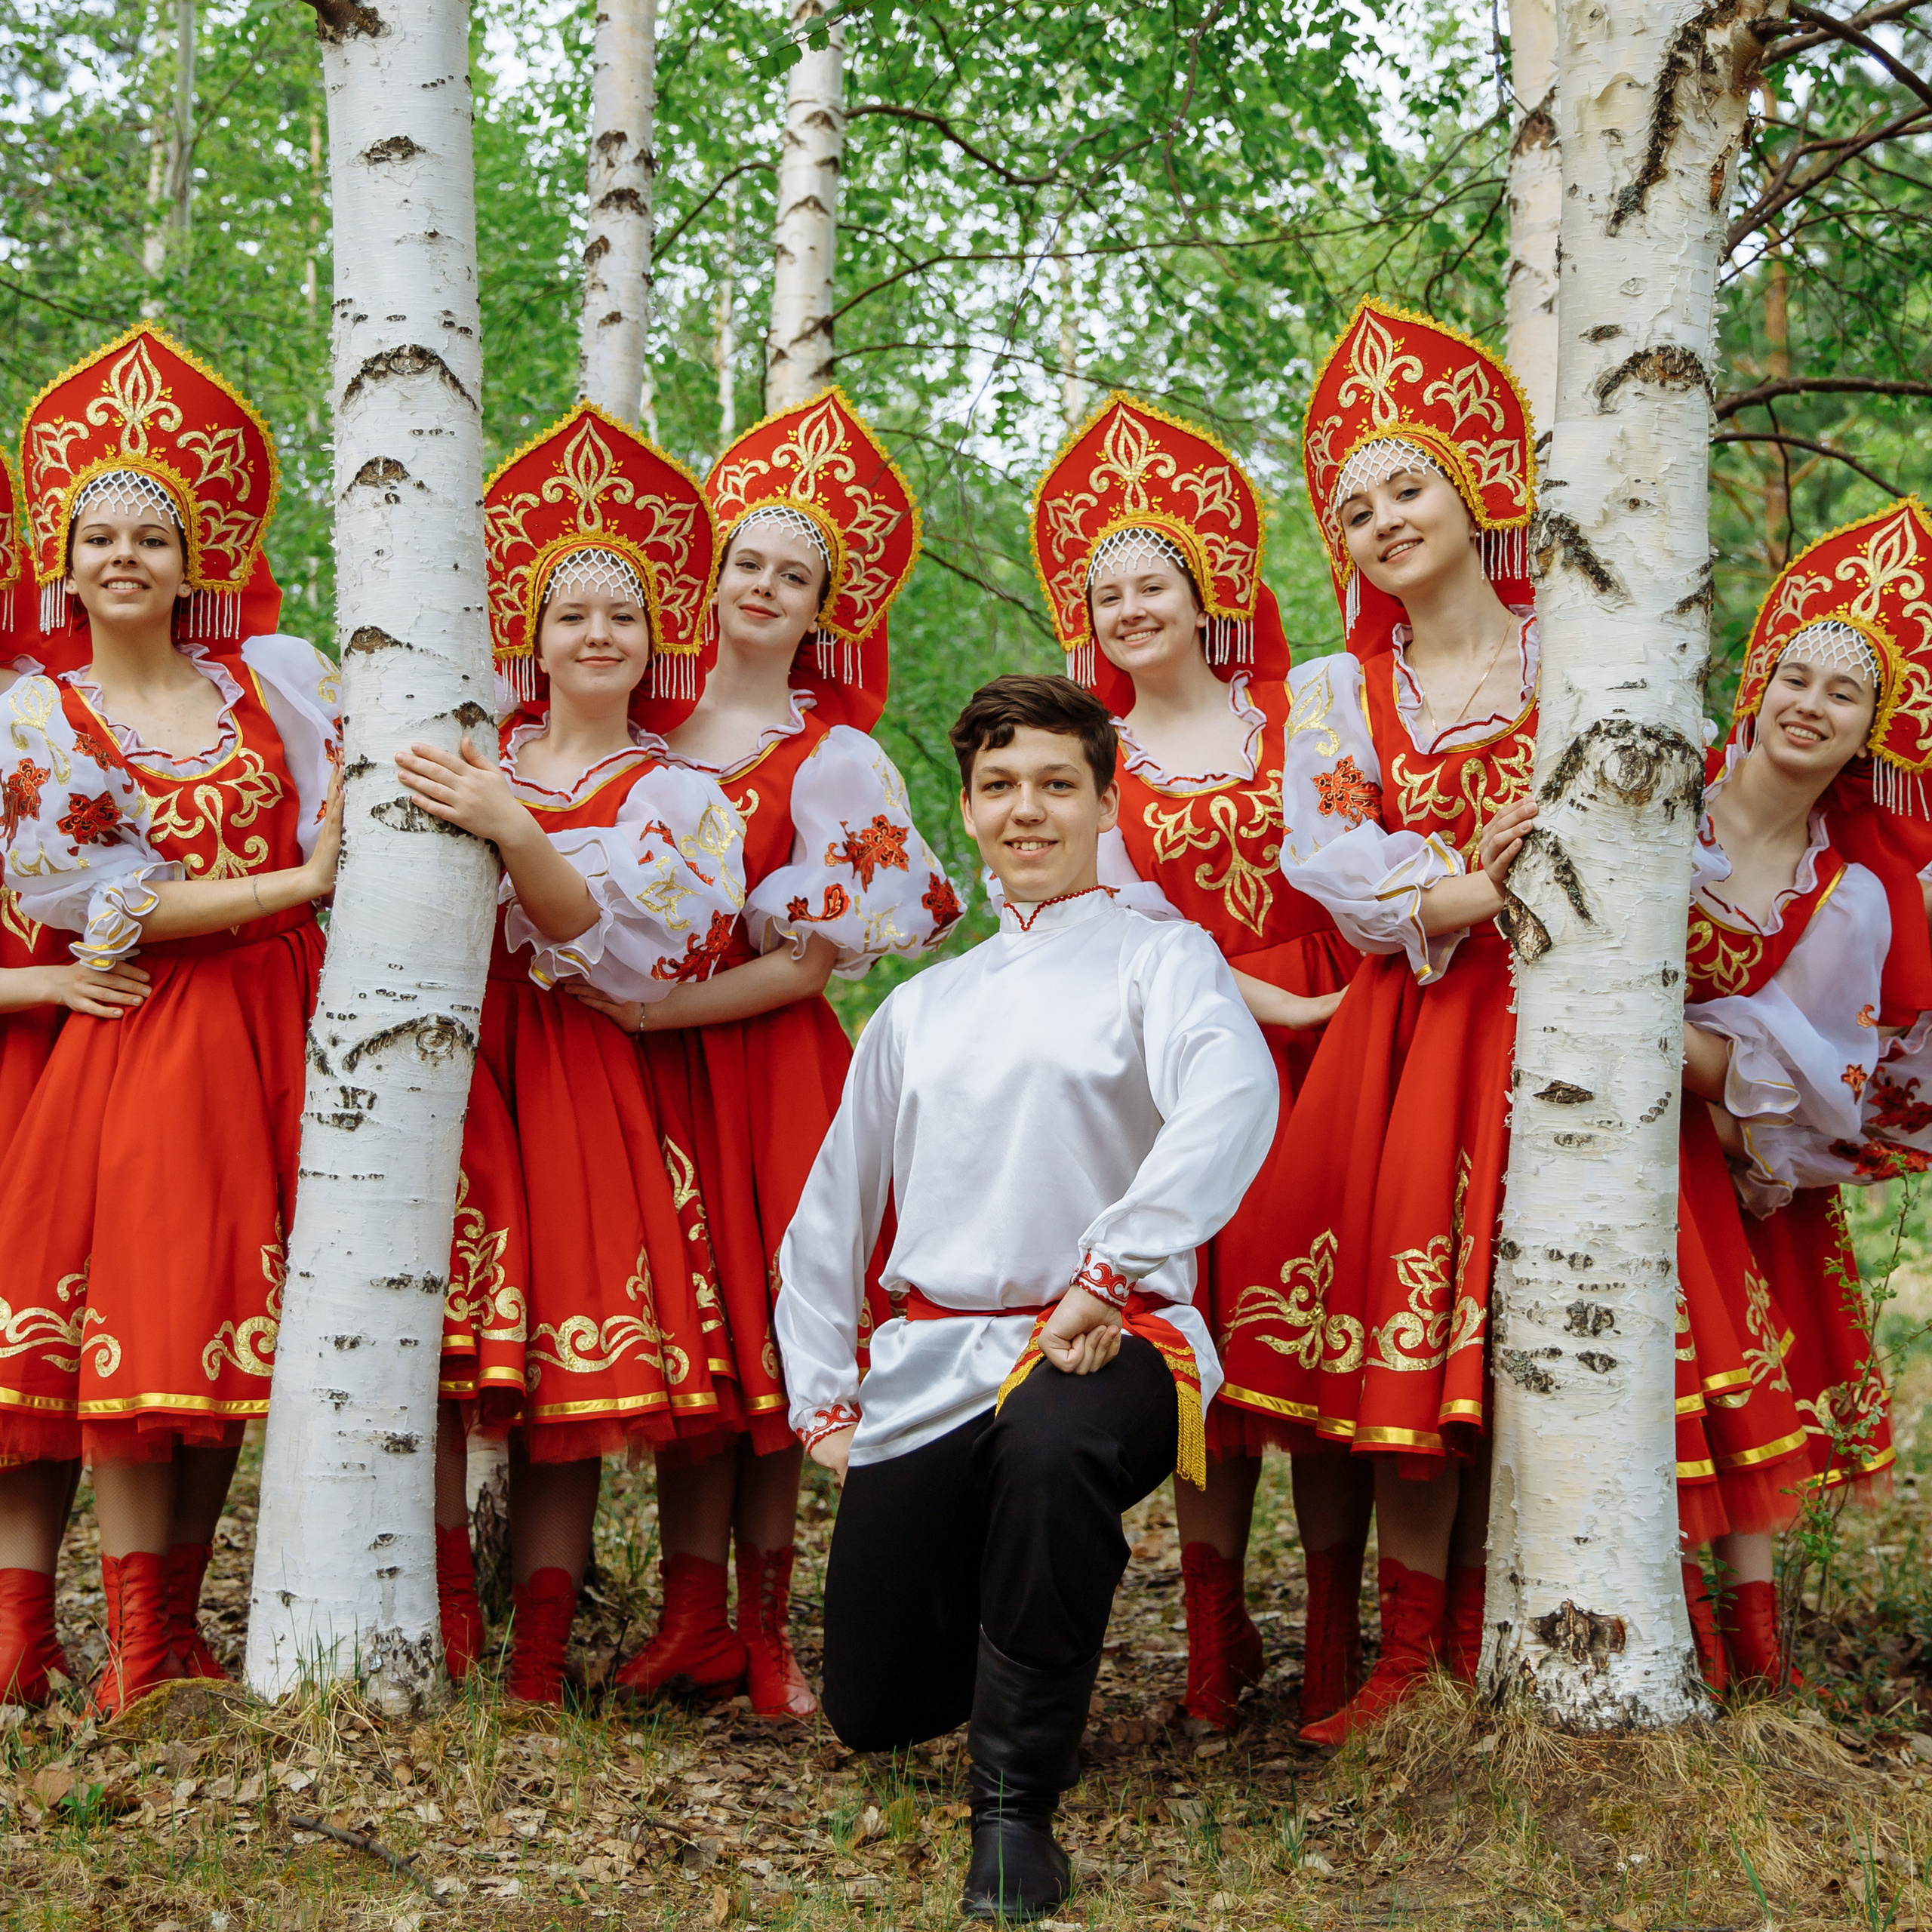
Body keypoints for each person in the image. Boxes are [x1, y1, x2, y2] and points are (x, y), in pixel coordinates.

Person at [775, 673, 1278, 1921]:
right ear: (969, 807)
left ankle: (1015, 1809)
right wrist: (824, 1398)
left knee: (1053, 1455)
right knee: (875, 1706)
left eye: (1059, 784)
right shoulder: (921, 1007)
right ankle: (1008, 1602)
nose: (1028, 811)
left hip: (1116, 1336)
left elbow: (1233, 1099)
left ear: (1109, 800)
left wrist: (1110, 1269)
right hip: (938, 1353)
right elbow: (832, 1208)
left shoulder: (1164, 961)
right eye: (1000, 787)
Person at [574, 390, 960, 1718]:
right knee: (697, 1342)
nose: (764, 587)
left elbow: (807, 961)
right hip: (637, 1076)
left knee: (777, 1338)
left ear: (820, 613)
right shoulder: (635, 727)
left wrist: (647, 1018)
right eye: (748, 561)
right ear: (709, 574)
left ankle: (767, 1628)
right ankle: (689, 1622)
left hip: (760, 1062)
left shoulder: (833, 756)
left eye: (796, 577)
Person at [1211, 298, 1540, 1743]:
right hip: (1415, 1039)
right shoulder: (1339, 693)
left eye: (1406, 484)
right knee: (1413, 1344)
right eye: (1352, 509)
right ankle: (1410, 1656)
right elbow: (1334, 869)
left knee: (1544, 1338)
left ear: (1475, 488)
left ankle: (1487, 1639)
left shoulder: (1583, 656)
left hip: (1565, 1037)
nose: (1382, 519)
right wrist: (1477, 884)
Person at [0, 325, 342, 1714]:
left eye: (155, 534)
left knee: (229, 1338)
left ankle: (178, 1630)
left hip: (278, 1027)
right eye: (100, 536)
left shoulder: (276, 685)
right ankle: (123, 1653)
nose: (126, 555)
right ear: (61, 563)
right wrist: (304, 881)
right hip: (146, 1035)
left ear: (199, 561)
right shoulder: (38, 712)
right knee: (140, 1331)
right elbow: (105, 910)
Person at [395, 401, 747, 1706]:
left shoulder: (680, 795)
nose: (595, 637)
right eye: (568, 615)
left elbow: (638, 954)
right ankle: (442, 1624)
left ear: (658, 639)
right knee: (431, 1353)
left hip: (583, 1077)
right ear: (527, 638)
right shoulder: (459, 754)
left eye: (621, 617)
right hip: (451, 1062)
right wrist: (491, 800)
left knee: (566, 1377)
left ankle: (538, 1656)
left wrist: (512, 827)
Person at [1027, 395, 1361, 1727]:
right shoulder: (1092, 764)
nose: (1129, 607)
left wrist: (1323, 1009)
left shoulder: (1304, 710)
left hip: (1345, 1049)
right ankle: (1217, 1637)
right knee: (1208, 1350)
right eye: (1106, 593)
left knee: (1326, 1347)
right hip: (1192, 1064)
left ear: (1210, 585)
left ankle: (1337, 1636)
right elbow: (1103, 932)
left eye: (1152, 581)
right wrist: (1268, 1010)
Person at [1676, 497, 1932, 1687]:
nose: (1809, 705)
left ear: (1874, 734)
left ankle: (1760, 1648)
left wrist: (1685, 1053)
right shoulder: (1664, 801)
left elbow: (1823, 1079)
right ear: (1757, 683)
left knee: (1748, 1387)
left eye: (1844, 694)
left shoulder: (1852, 899)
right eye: (1795, 675)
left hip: (1743, 1170)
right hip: (1596, 1140)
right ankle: (1666, 1627)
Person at [0, 445, 155, 1705]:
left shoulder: (42, 709)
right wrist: (34, 986)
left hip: (99, 1042)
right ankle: (19, 1629)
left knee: (62, 1348)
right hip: (29, 1025)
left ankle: (42, 1632)